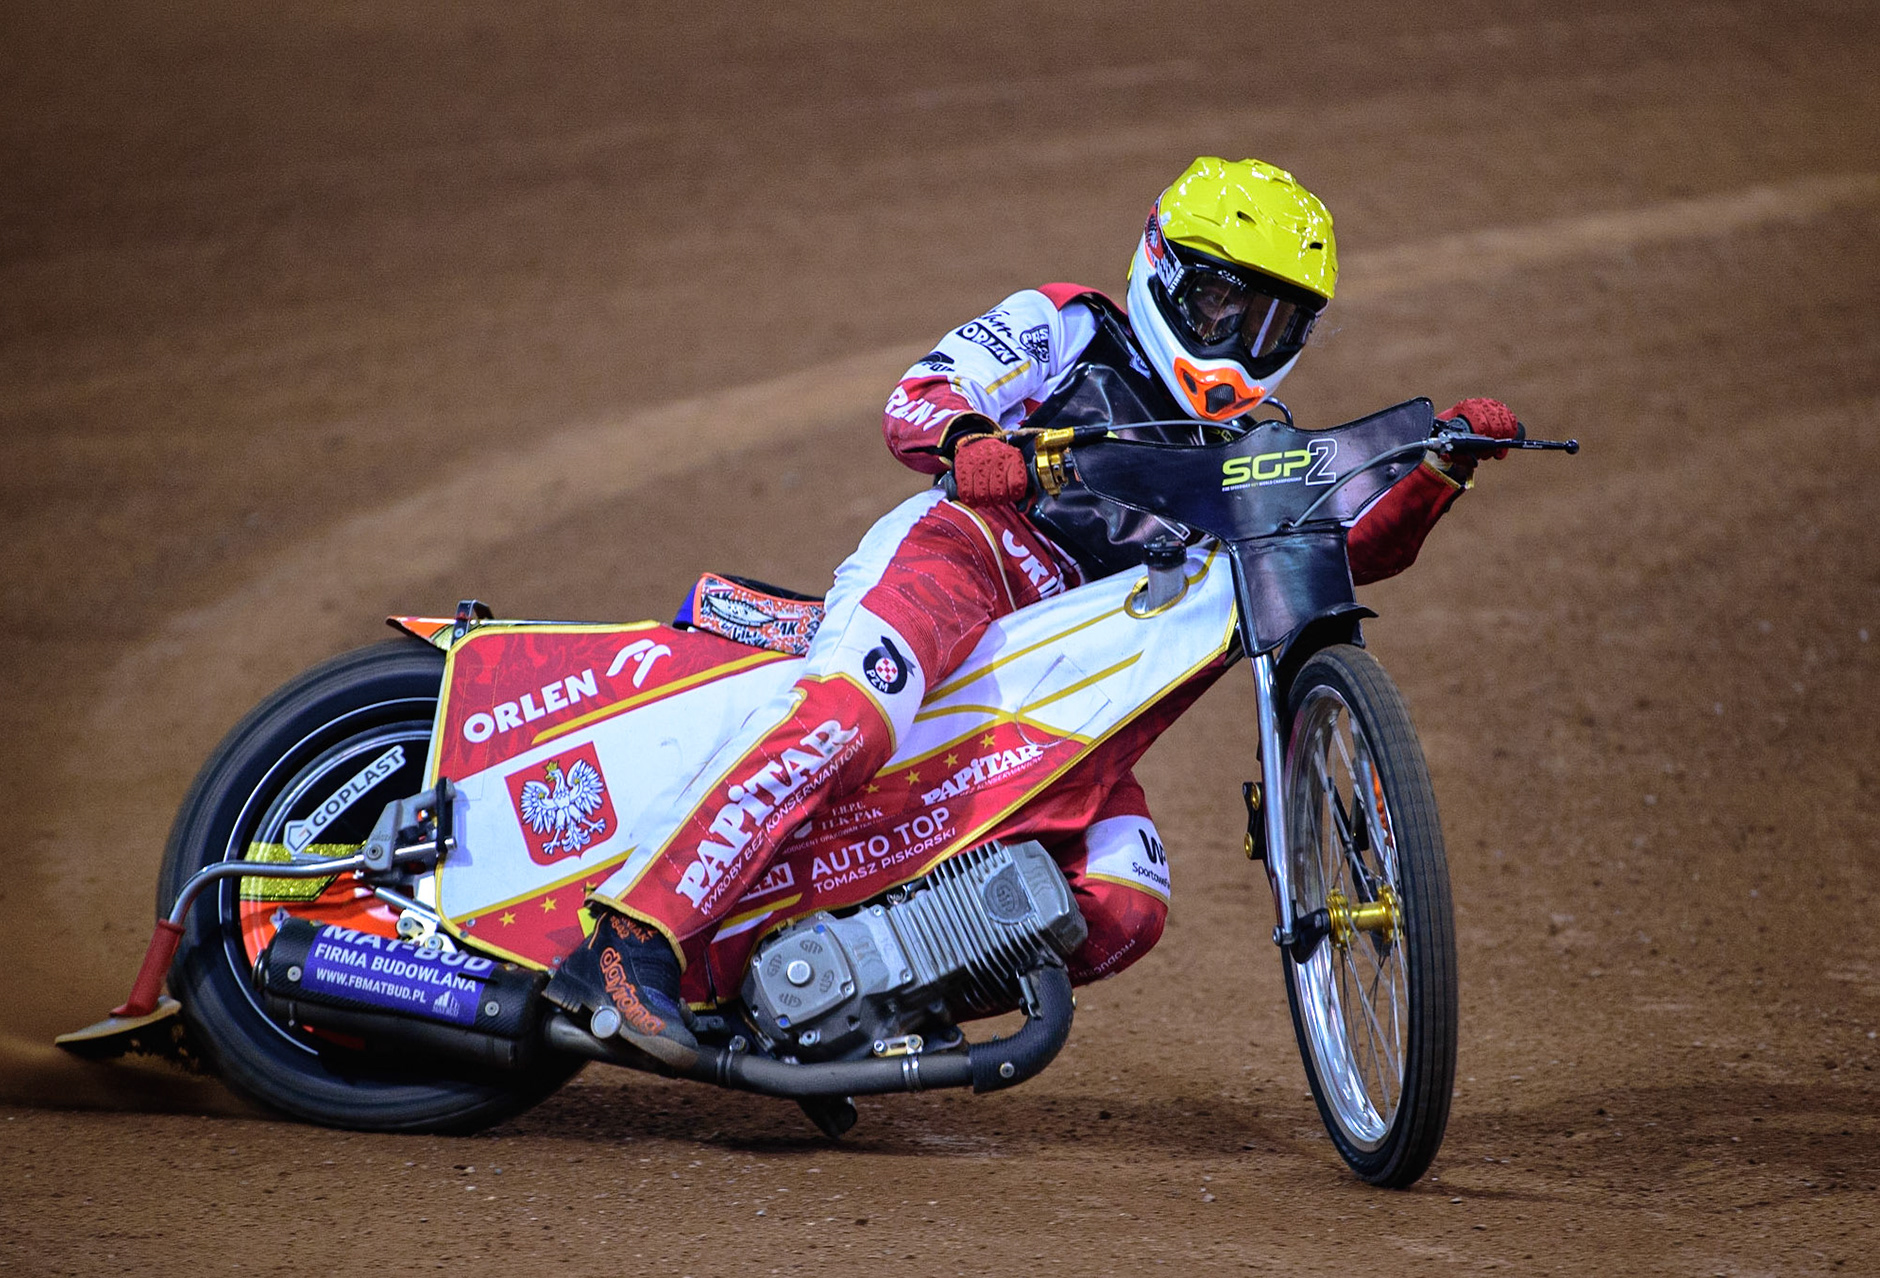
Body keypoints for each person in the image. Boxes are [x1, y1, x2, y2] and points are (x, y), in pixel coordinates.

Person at [552, 156, 1520, 1066]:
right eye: (1221, 301)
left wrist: (1438, 473)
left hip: (1070, 685)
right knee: (849, 721)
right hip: (962, 564)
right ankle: (628, 942)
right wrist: (975, 438)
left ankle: (834, 1007)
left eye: (1272, 324)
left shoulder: (1249, 455)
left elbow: (1337, 558)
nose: (1239, 341)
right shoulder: (1066, 323)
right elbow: (920, 394)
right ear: (1161, 269)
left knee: (1124, 900)